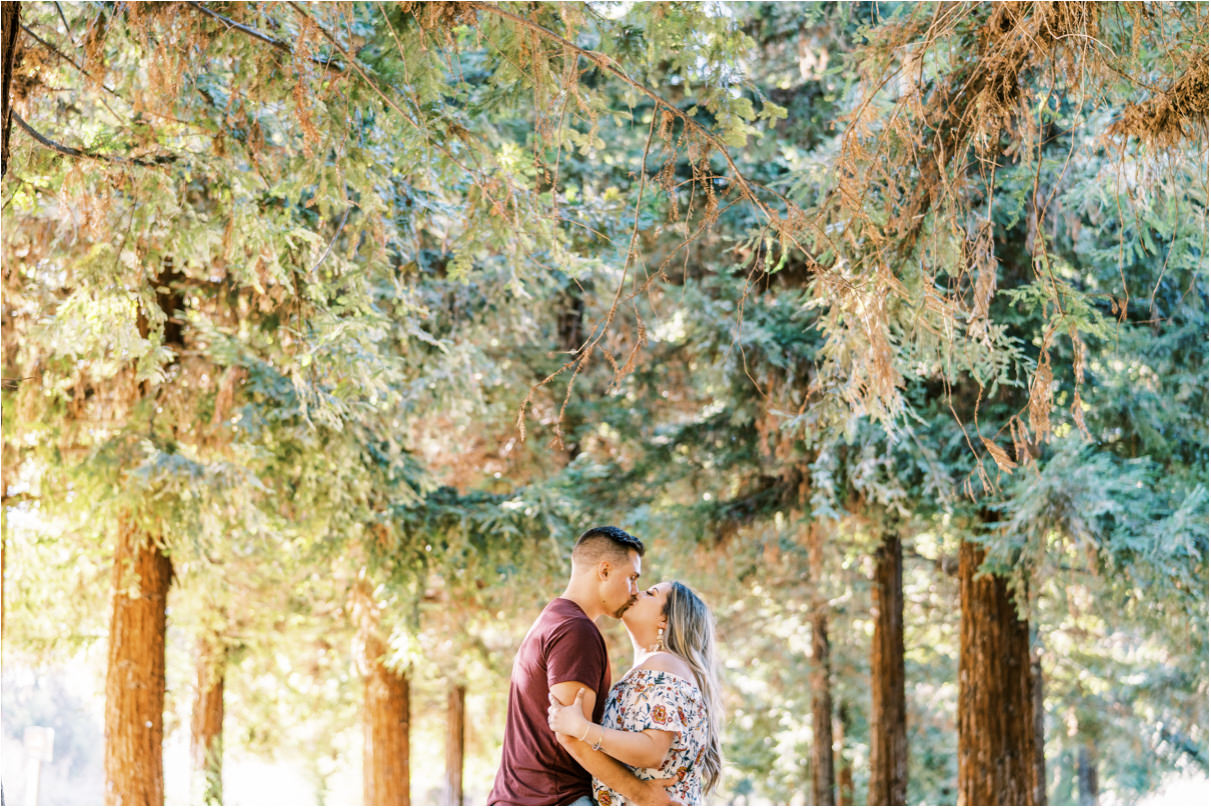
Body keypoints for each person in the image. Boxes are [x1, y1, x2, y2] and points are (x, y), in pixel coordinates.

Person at [488, 526, 678, 806]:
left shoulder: (554, 619)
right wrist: (643, 794)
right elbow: (572, 736)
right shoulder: (576, 631)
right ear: (604, 571)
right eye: (632, 578)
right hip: (552, 799)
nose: (635, 591)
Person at [547, 580, 723, 806]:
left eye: (651, 593)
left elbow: (652, 752)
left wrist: (582, 728)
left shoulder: (663, 664)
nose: (637, 593)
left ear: (664, 619)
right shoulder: (657, 667)